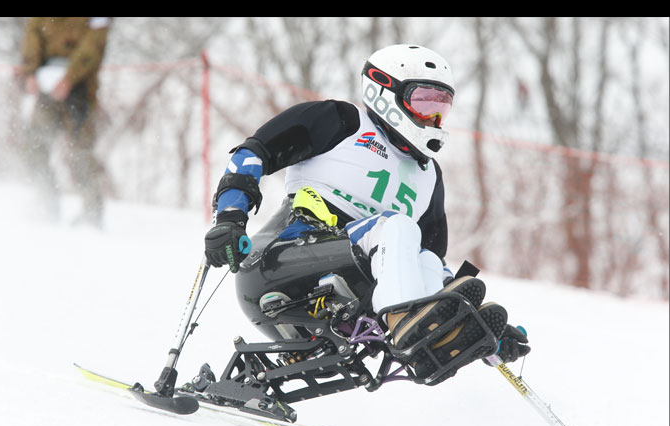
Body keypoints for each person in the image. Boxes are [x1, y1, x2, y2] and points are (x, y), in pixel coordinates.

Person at [204, 44, 530, 384]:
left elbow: (428, 262)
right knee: (396, 226)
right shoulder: (341, 121)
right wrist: (229, 217)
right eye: (423, 102)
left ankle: (438, 336)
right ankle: (404, 321)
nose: (432, 119)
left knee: (428, 261)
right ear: (383, 89)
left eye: (440, 108)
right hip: (277, 266)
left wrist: (475, 325)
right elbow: (253, 154)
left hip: (352, 297)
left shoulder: (428, 175)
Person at [19, 17, 111, 227]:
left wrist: (70, 78)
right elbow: (33, 33)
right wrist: (30, 71)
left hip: (81, 90)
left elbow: (94, 45)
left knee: (80, 154)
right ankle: (46, 204)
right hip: (45, 85)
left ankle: (91, 214)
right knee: (34, 147)